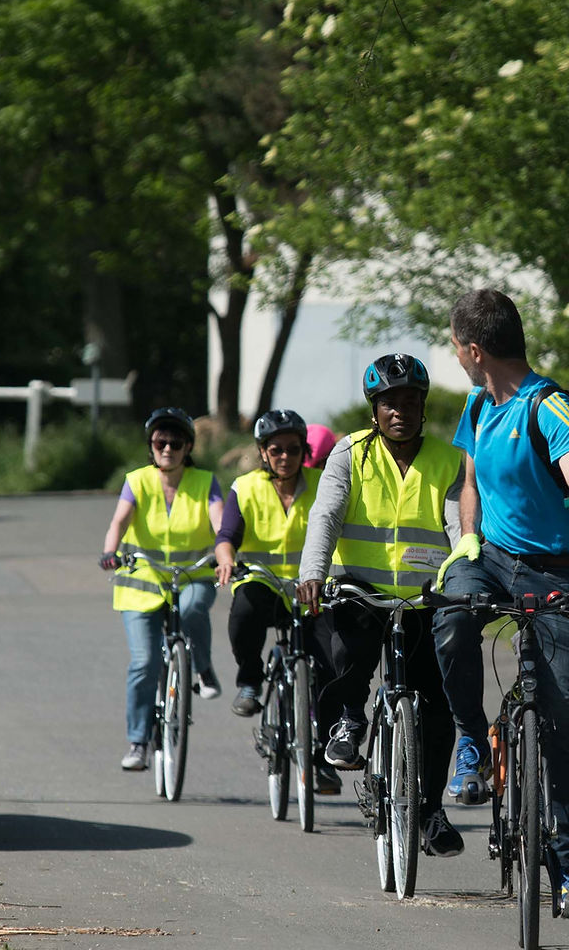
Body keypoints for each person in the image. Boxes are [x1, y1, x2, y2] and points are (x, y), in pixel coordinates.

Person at [433, 288, 569, 918]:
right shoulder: (476, 406)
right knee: (453, 617)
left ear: (475, 349)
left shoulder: (549, 407)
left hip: (557, 569)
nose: (457, 356)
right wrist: (466, 542)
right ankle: (468, 741)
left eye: (457, 346)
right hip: (488, 559)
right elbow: (469, 485)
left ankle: (568, 869)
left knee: (564, 716)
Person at [296, 354, 467, 853]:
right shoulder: (350, 454)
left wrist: (462, 578)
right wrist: (313, 573)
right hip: (361, 591)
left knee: (437, 706)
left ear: (423, 407)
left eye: (411, 401)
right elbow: (325, 516)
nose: (401, 411)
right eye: (390, 402)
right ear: (375, 408)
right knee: (346, 651)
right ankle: (348, 717)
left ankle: (431, 811)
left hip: (425, 598)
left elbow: (460, 528)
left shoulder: (448, 459)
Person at [213, 410, 339, 794]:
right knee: (244, 613)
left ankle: (324, 760)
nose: (284, 456)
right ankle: (250, 682)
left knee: (333, 661)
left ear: (304, 450)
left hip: (311, 588)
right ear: (263, 453)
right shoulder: (245, 487)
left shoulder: (325, 484)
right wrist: (226, 559)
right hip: (263, 583)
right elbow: (227, 534)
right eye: (276, 450)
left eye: (292, 449)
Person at [98, 407, 224, 772]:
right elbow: (118, 521)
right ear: (150, 446)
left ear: (188, 447)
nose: (167, 448)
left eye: (176, 442)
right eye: (159, 442)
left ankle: (202, 668)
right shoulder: (136, 481)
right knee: (144, 663)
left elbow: (218, 520)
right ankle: (138, 742)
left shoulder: (205, 481)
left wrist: (223, 551)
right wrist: (110, 552)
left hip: (193, 577)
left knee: (192, 610)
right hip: (141, 584)